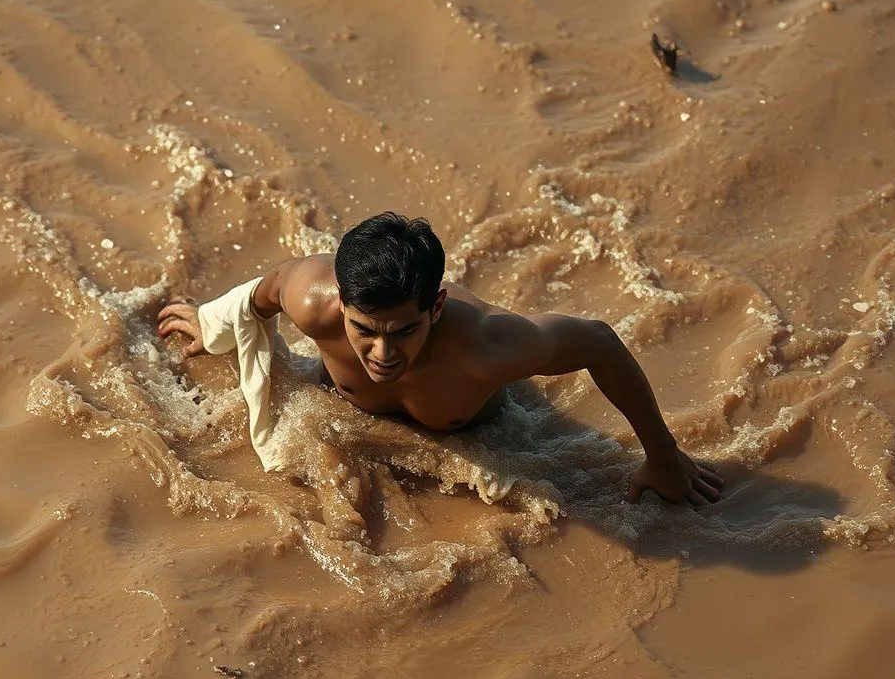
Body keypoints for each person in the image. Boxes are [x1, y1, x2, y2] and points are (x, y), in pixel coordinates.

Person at [157, 211, 723, 507]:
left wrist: (664, 456)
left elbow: (600, 342)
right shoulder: (310, 300)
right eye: (364, 331)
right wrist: (212, 324)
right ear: (342, 306)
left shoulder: (487, 347)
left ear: (438, 306)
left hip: (479, 429)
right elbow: (264, 292)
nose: (382, 354)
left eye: (404, 332)